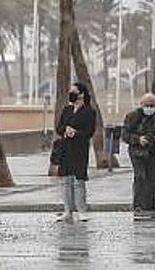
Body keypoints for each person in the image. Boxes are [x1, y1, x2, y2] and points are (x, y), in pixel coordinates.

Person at [122, 92, 155, 216]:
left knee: (152, 178)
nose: (149, 108)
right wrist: (138, 139)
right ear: (141, 104)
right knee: (140, 177)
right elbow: (125, 135)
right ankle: (138, 205)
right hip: (137, 152)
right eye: (147, 105)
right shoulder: (132, 116)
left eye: (152, 105)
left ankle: (149, 206)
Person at [54, 81, 96, 222]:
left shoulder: (89, 112)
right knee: (65, 180)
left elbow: (89, 131)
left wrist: (76, 133)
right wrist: (65, 130)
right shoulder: (67, 110)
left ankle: (81, 210)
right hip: (66, 148)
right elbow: (59, 127)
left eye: (74, 92)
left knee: (79, 181)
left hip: (79, 149)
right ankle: (67, 210)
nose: (71, 94)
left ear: (81, 94)